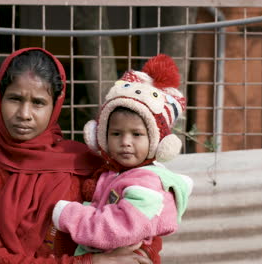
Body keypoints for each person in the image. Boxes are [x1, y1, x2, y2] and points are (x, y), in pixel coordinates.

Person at [0, 47, 161, 264]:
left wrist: (141, 254)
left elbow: (142, 222)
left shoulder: (91, 165)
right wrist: (91, 262)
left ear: (55, 106)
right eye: (14, 99)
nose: (24, 114)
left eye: (38, 103)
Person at [51, 54, 193, 259]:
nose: (126, 142)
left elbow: (116, 228)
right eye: (116, 134)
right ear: (101, 136)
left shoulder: (147, 184)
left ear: (156, 142)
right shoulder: (115, 172)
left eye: (136, 135)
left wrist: (69, 215)